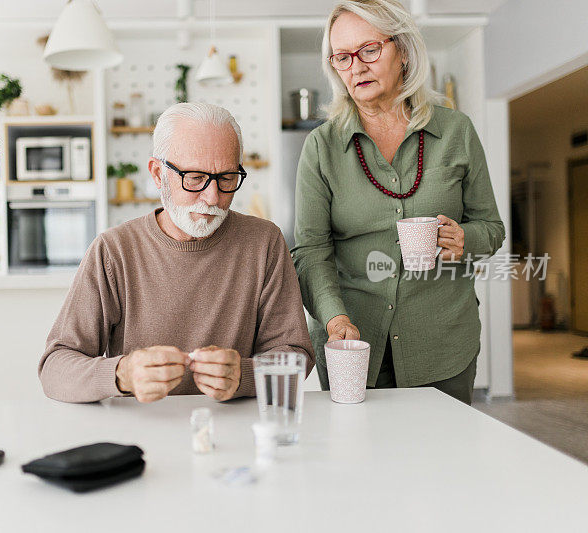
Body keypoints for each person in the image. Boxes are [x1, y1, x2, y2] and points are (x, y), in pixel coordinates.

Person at [292, 0, 505, 404]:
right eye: (342, 57)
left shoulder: (456, 131)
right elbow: (310, 252)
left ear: (403, 51)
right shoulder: (321, 147)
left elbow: (491, 228)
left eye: (369, 50)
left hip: (442, 341)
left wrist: (465, 240)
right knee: (361, 462)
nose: (355, 65)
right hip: (352, 347)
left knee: (440, 461)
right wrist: (335, 319)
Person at [39, 102, 314, 403]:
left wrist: (244, 375)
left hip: (237, 432)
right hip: (140, 435)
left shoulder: (264, 242)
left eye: (227, 178)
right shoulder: (114, 251)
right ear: (158, 174)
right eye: (195, 178)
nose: (213, 197)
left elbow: (296, 357)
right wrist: (122, 374)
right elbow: (55, 369)